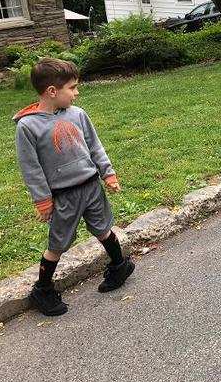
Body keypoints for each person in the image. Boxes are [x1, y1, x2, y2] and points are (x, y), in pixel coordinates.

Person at [13, 58, 134, 316]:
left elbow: (94, 145)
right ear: (52, 92)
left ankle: (120, 264)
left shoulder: (78, 114)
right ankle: (42, 289)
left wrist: (108, 173)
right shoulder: (27, 126)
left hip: (91, 186)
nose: (77, 93)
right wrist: (42, 199)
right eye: (73, 87)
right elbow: (30, 168)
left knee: (103, 229)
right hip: (63, 195)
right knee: (58, 243)